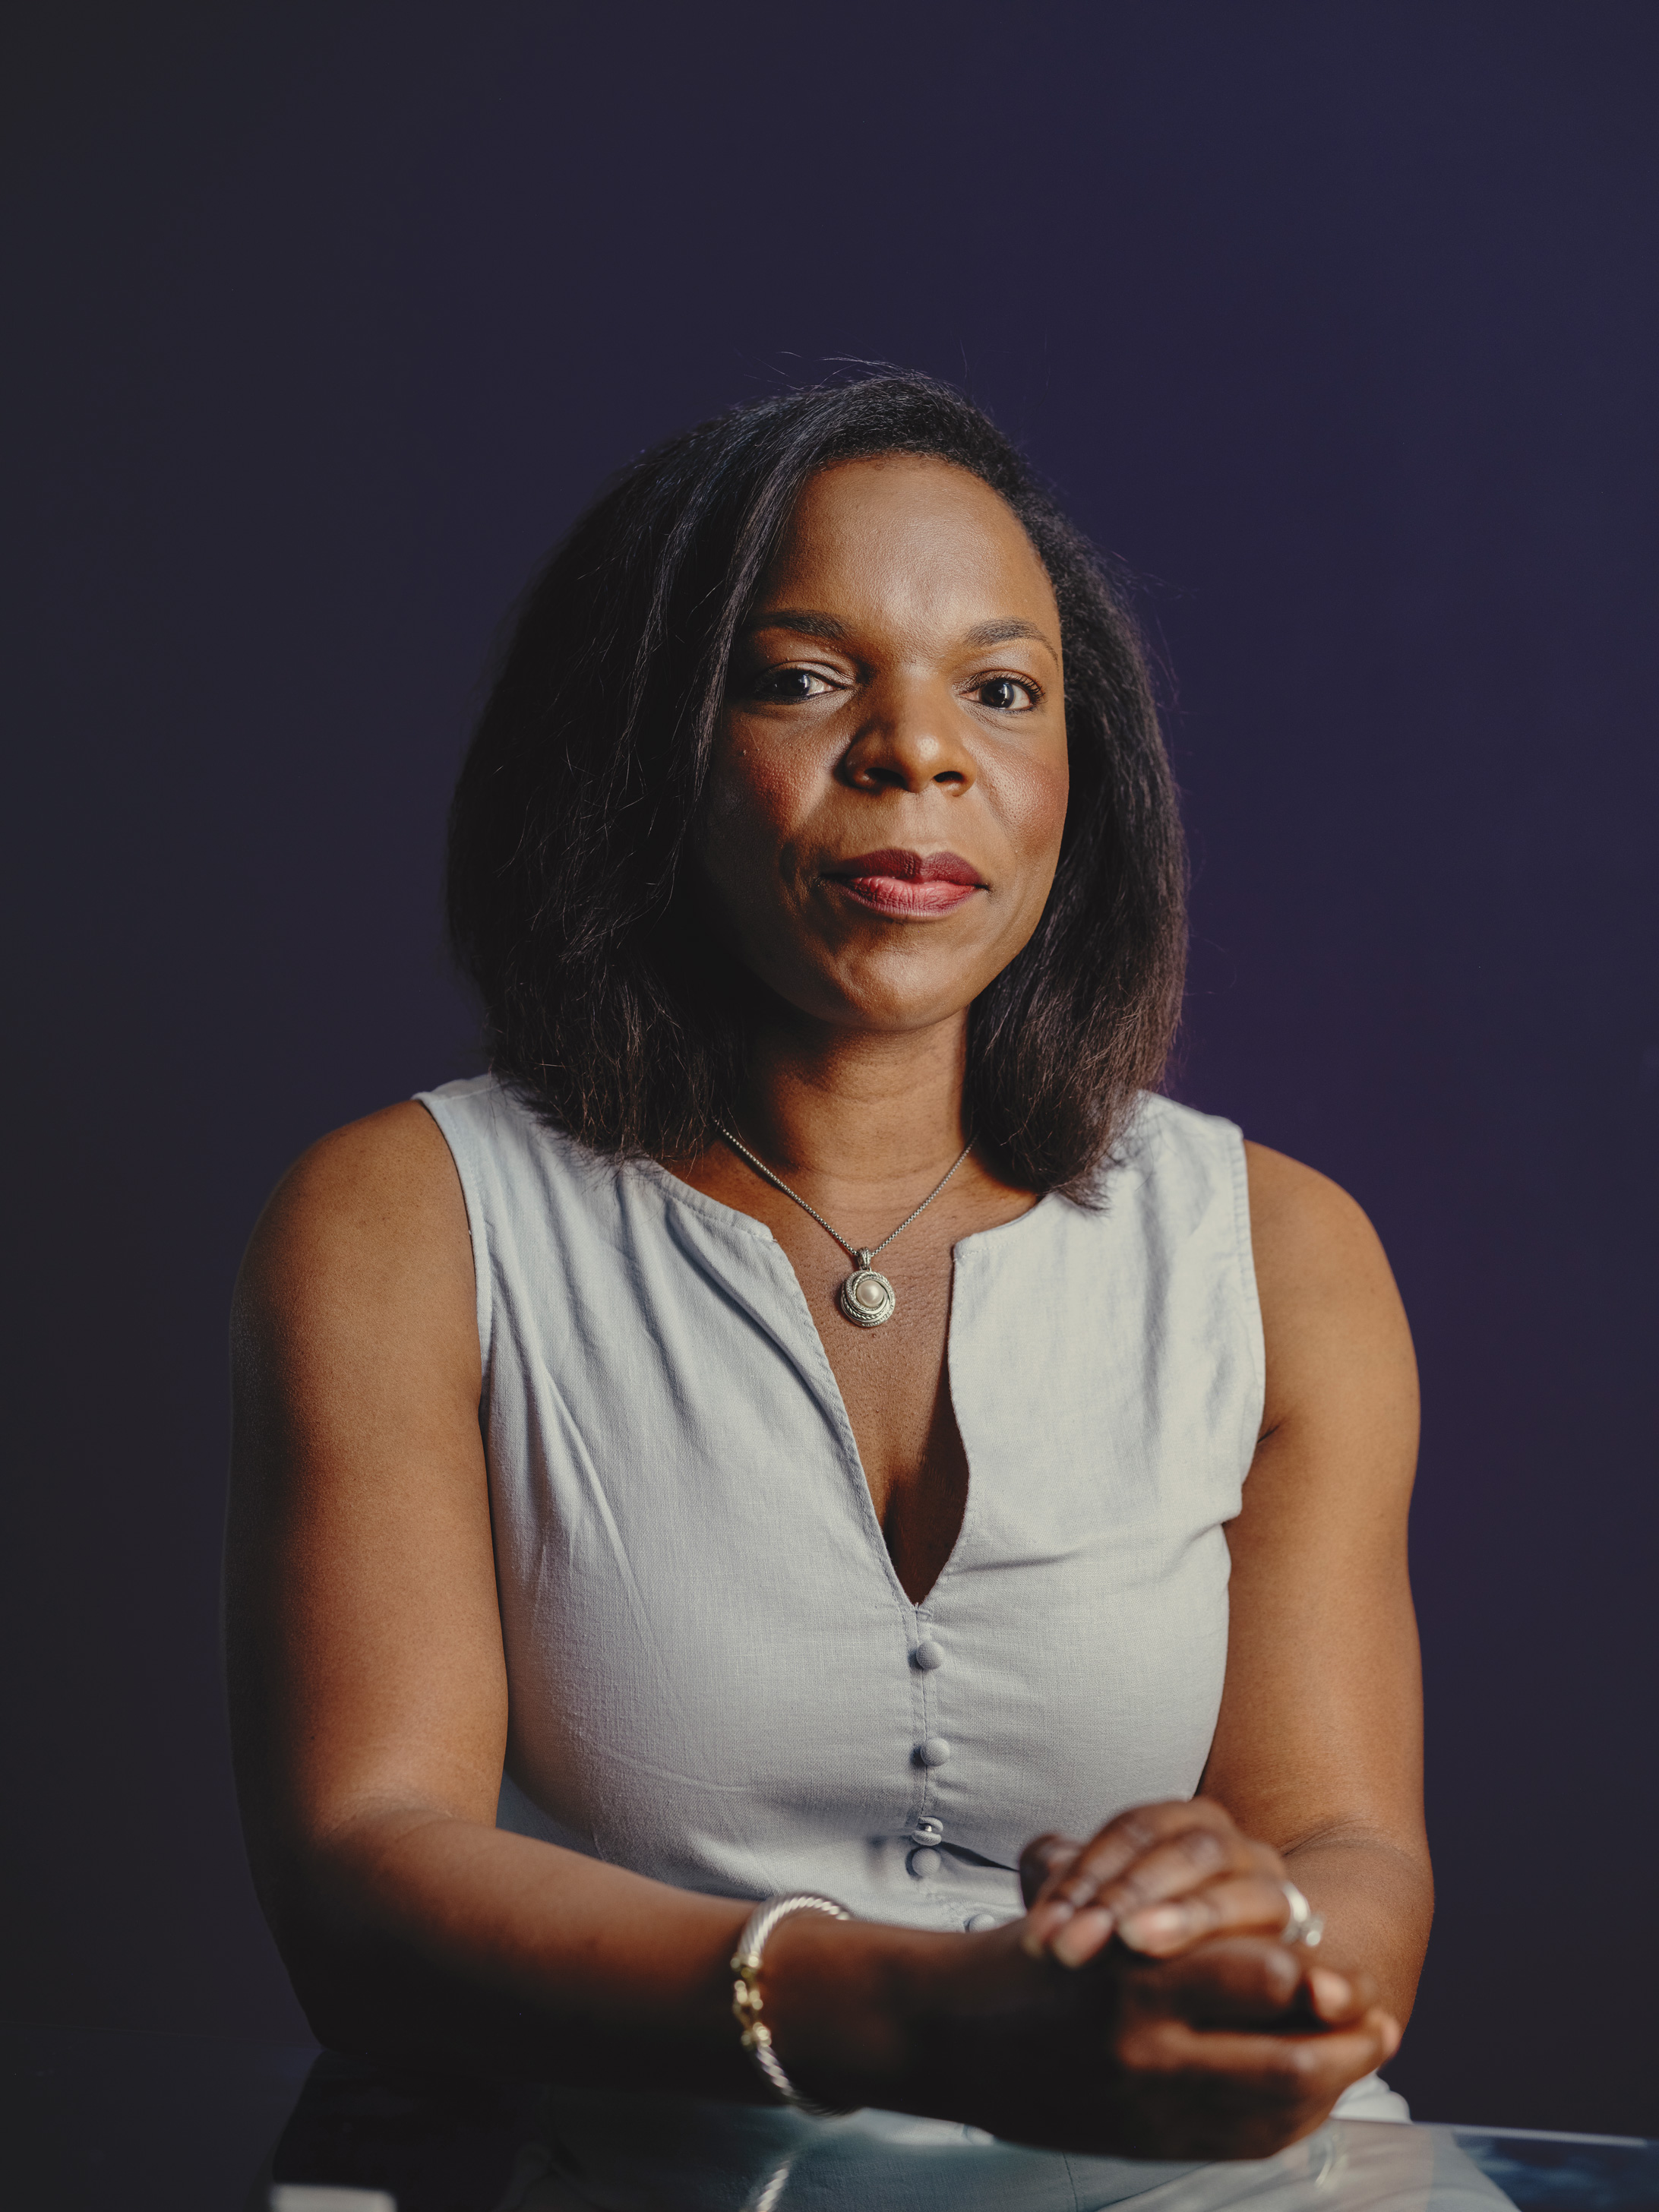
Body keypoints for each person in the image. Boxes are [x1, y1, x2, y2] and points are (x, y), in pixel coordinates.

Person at [226, 371, 1430, 2164]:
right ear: (648, 738)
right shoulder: (404, 1218)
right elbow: (369, 1877)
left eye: (1002, 692)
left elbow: (1353, 1848)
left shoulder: (1284, 1249)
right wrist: (914, 2016)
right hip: (630, 2182)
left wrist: (1258, 1944)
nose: (917, 750)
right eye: (806, 675)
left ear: (1069, 787)